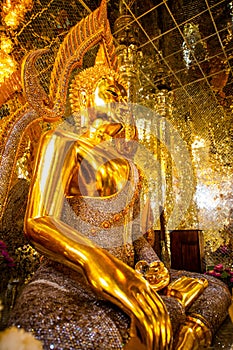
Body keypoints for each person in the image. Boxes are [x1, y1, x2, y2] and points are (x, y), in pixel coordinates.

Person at [6, 2, 232, 349]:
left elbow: (136, 238)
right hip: (73, 276)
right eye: (112, 90)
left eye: (125, 94)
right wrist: (99, 265)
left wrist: (153, 265)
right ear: (84, 96)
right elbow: (38, 221)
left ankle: (183, 336)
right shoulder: (64, 140)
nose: (122, 98)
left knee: (216, 290)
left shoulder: (130, 167)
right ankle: (161, 325)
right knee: (41, 320)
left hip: (131, 276)